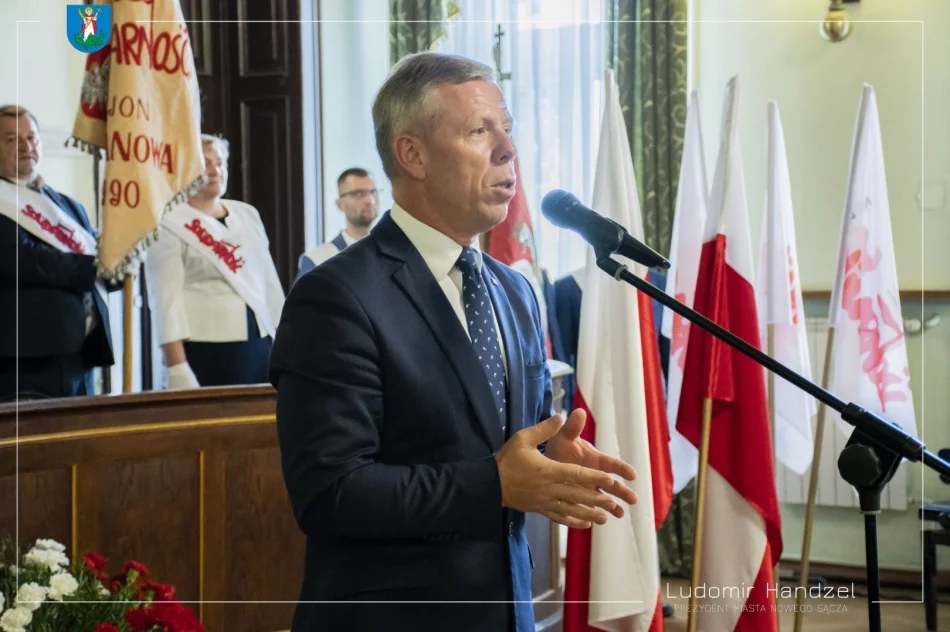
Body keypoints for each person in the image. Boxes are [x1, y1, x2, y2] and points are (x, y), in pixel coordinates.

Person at [269, 52, 639, 632]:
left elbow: (496, 443)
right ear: (411, 154)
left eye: (507, 129)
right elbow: (330, 492)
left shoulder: (516, 290)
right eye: (478, 131)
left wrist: (546, 460)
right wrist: (495, 482)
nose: (507, 149)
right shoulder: (335, 296)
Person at [146, 134, 285, 389]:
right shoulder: (169, 221)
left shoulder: (247, 214)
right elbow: (165, 300)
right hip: (208, 348)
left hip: (260, 343)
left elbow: (268, 283)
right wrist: (176, 367)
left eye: (220, 163)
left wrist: (286, 341)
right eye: (205, 163)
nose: (215, 171)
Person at [0, 105, 117, 400]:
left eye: (32, 137)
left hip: (81, 356)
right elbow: (27, 260)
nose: (27, 147)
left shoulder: (66, 205)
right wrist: (95, 266)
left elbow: (95, 258)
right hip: (25, 360)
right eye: (12, 140)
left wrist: (119, 263)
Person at [295, 167, 379, 281]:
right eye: (359, 194)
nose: (370, 200)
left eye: (372, 192)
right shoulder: (318, 261)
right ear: (340, 204)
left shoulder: (396, 251)